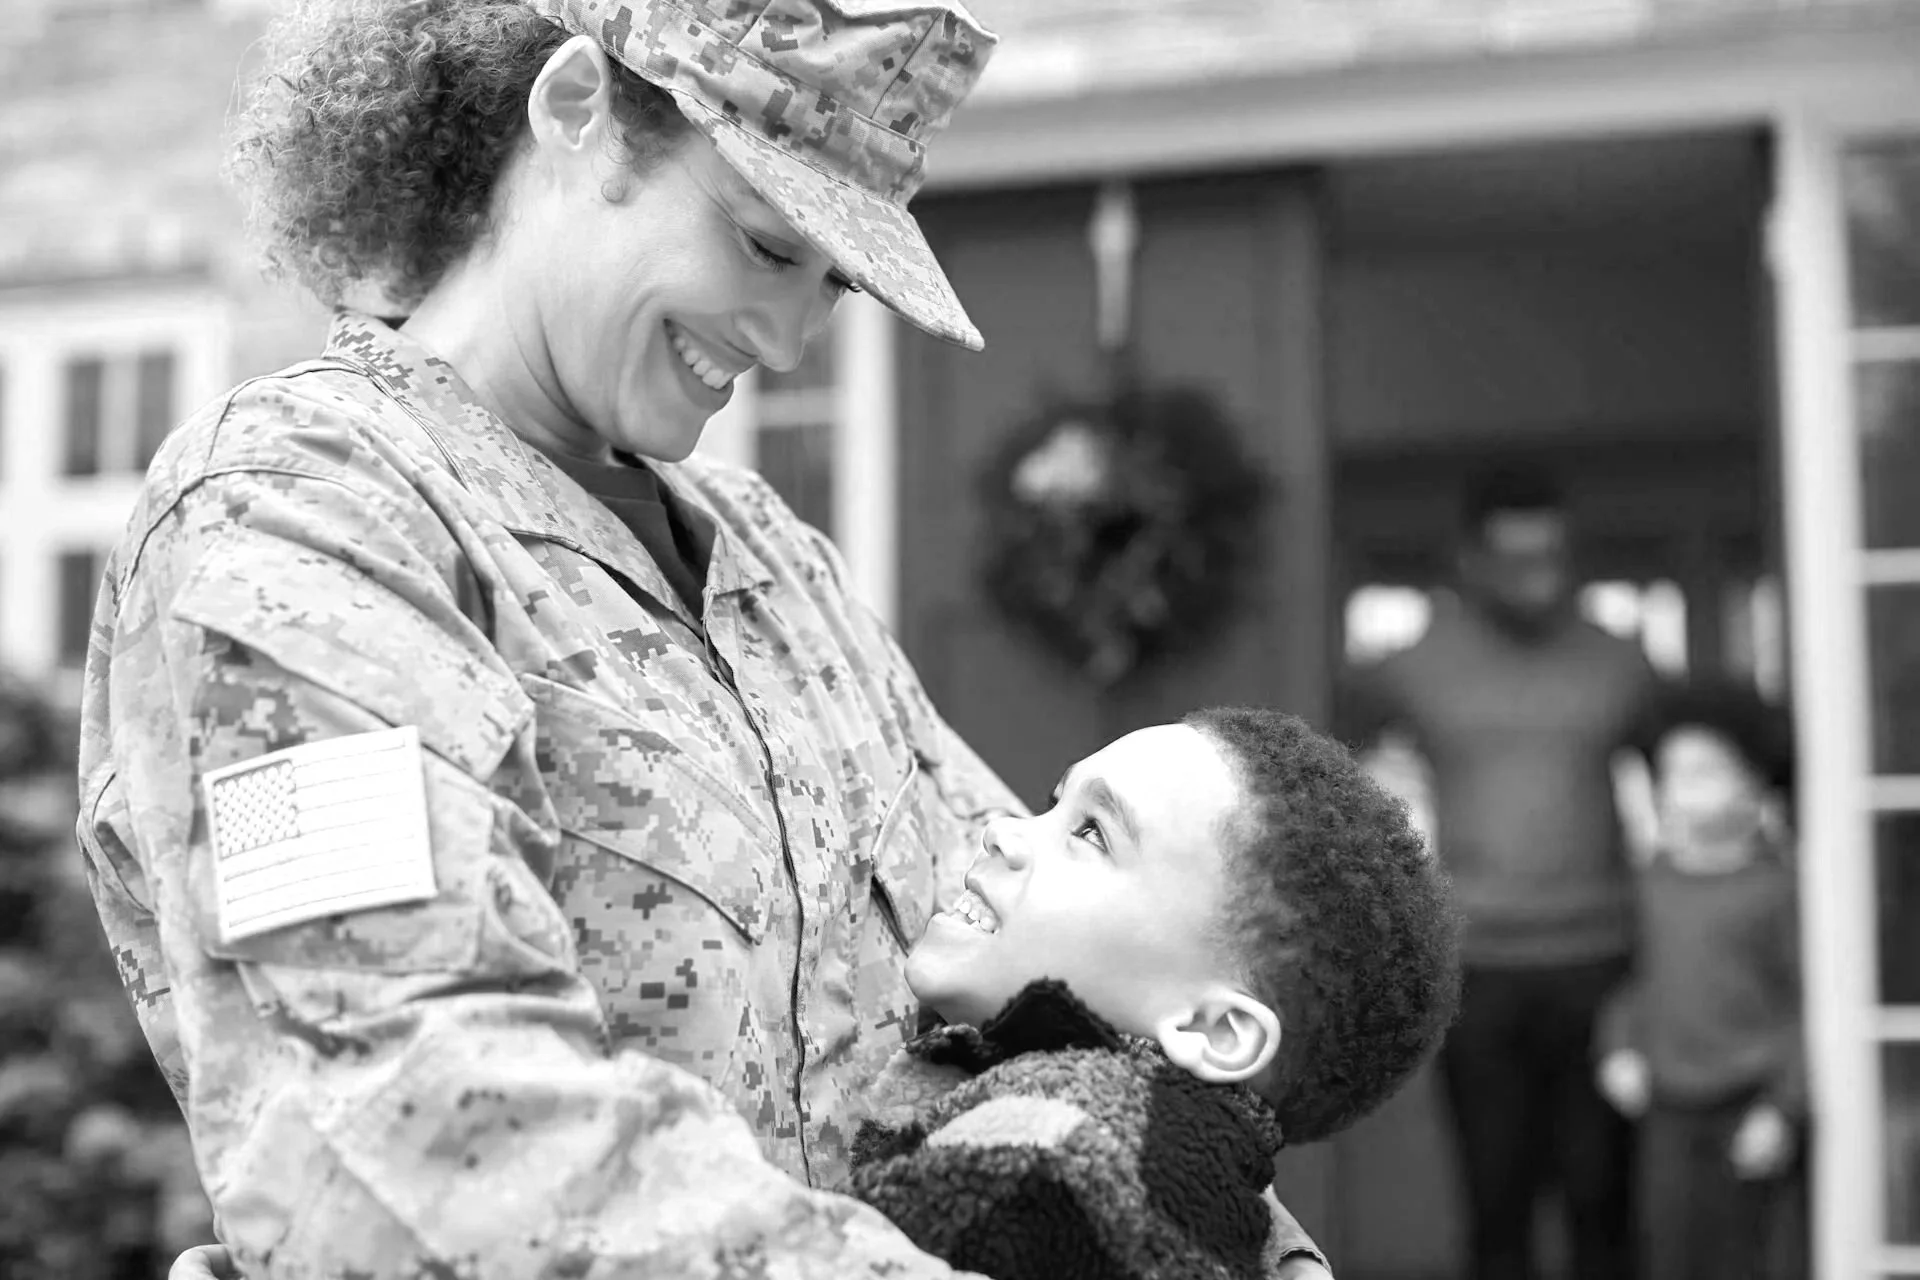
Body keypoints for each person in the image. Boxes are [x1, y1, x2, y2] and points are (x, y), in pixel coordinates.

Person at [75, 1, 1337, 1276]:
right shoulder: (299, 513)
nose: (788, 340)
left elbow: (1077, 986)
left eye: (829, 283)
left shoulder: (775, 560)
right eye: (760, 242)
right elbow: (406, 1101)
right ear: (577, 112)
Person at [843, 706, 1461, 1280]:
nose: (1001, 831)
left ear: (1213, 1031)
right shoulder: (1167, 1157)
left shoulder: (1067, 1157)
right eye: (1053, 803)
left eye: (1090, 834)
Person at [1338, 467, 1658, 1280]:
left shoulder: (1622, 661)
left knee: (1602, 1203)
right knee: (1495, 1204)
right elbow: (1327, 770)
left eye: (1553, 554)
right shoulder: (1412, 665)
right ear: (1471, 559)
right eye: (1517, 557)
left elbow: (1697, 782)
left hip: (1603, 962)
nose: (1539, 574)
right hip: (1476, 969)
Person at [1594, 682, 1805, 1280]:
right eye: (1673, 774)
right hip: (1668, 1108)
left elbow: (1809, 1006)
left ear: (1755, 782)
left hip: (1748, 1102)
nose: (1685, 789)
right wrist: (1620, 1047)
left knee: (1749, 1253)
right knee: (1668, 1248)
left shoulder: (1777, 888)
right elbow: (1636, 981)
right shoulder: (1652, 883)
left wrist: (1783, 1107)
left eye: (1707, 772)